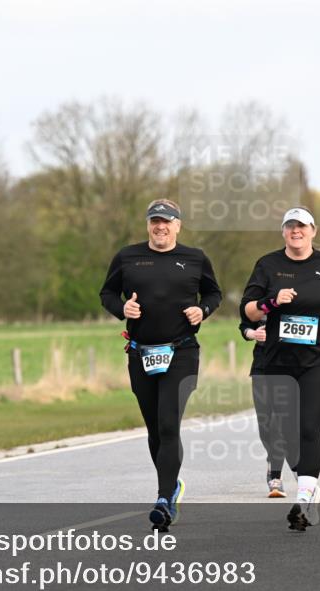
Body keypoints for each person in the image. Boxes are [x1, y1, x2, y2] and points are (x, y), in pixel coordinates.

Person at [99, 199, 222, 531]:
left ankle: (164, 499)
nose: (160, 226)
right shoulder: (127, 256)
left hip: (182, 352)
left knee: (169, 423)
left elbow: (213, 294)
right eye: (155, 221)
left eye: (167, 221)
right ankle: (173, 486)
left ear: (178, 225)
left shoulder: (195, 258)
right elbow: (107, 293)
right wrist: (122, 309)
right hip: (141, 354)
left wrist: (203, 311)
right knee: (155, 428)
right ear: (148, 225)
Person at [241, 206, 320, 531]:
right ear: (284, 232)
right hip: (279, 359)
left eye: (302, 226)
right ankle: (309, 488)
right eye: (291, 226)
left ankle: (305, 497)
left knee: (308, 426)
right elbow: (247, 310)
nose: (297, 231)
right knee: (286, 431)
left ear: (313, 231)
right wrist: (271, 302)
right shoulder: (268, 265)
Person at [238, 311, 288, 497]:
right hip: (261, 364)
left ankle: (276, 475)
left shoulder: (296, 294)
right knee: (265, 423)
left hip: (289, 364)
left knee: (280, 422)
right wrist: (253, 334)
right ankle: (272, 456)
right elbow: (244, 327)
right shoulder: (257, 298)